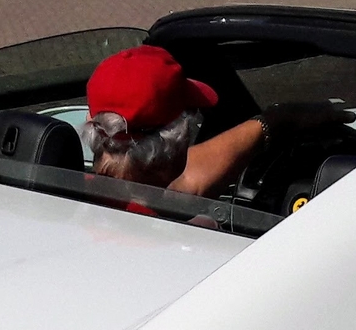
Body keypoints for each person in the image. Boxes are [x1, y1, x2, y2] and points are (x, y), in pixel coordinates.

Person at [79, 45, 342, 209]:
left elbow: (189, 181)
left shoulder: (69, 194)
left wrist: (273, 122)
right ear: (176, 143)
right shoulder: (175, 239)